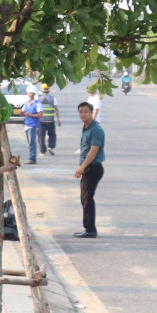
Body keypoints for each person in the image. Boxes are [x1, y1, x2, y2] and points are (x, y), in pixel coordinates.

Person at [71, 101, 106, 238]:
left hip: (93, 167)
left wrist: (82, 167)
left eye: (85, 111)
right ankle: (88, 227)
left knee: (87, 199)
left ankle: (90, 229)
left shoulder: (96, 129)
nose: (82, 114)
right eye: (80, 111)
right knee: (85, 199)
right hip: (88, 167)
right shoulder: (86, 127)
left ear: (92, 113)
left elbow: (93, 151)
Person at [21, 85, 43, 164]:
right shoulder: (26, 103)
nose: (30, 95)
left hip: (33, 125)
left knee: (32, 142)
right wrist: (22, 113)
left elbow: (40, 115)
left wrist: (30, 115)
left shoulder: (37, 104)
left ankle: (32, 158)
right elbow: (23, 112)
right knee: (29, 142)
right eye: (29, 93)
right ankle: (31, 157)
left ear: (34, 94)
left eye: (32, 93)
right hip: (27, 125)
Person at [39, 87, 58, 155]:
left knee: (41, 136)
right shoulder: (53, 98)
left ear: (42, 90)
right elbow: (56, 109)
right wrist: (59, 119)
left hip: (41, 120)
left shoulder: (39, 98)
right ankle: (51, 147)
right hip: (50, 120)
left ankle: (42, 150)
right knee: (52, 134)